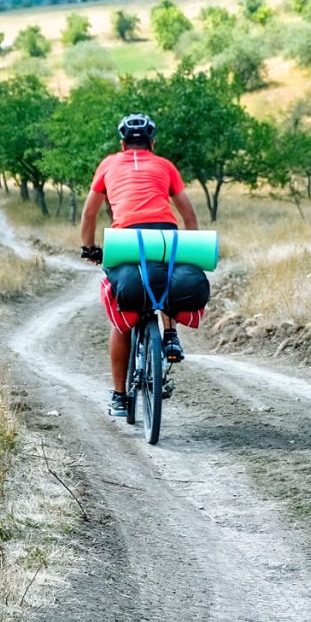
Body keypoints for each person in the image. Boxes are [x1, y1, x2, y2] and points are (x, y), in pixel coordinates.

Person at [81, 114, 200, 417]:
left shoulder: (108, 164)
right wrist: (188, 248)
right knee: (167, 277)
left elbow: (90, 213)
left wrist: (89, 248)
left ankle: (119, 396)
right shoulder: (165, 165)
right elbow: (188, 214)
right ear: (153, 143)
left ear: (122, 143)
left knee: (123, 314)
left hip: (125, 239)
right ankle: (170, 335)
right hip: (165, 233)